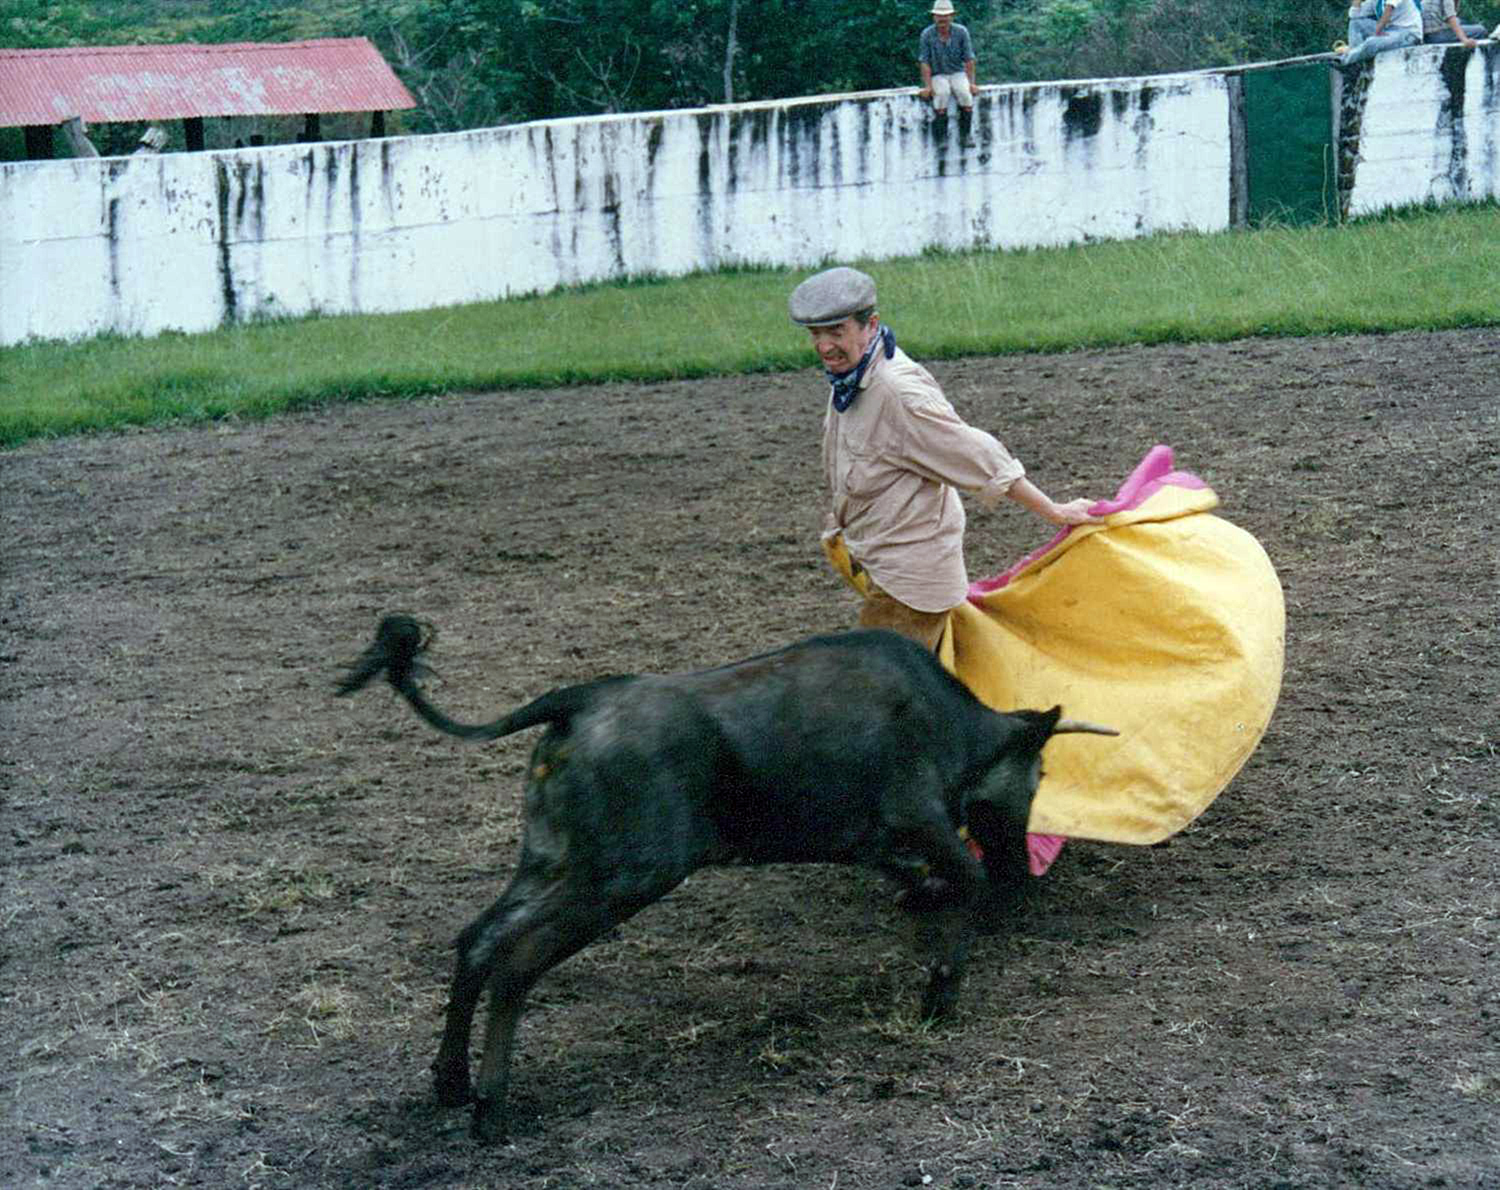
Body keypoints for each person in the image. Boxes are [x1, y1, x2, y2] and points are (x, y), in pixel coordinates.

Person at [789, 266, 1101, 652]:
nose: (824, 346)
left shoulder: (896, 391)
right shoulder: (850, 379)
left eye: (837, 332)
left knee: (874, 695)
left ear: (871, 325)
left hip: (910, 587)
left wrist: (1055, 511)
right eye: (816, 334)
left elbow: (978, 454)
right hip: (884, 564)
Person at [918, 0, 978, 143]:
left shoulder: (961, 32)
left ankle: (965, 135)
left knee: (965, 95)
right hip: (938, 74)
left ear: (952, 16)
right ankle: (942, 137)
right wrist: (927, 86)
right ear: (934, 17)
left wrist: (972, 83)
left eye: (945, 16)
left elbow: (969, 59)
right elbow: (924, 61)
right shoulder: (927, 34)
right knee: (941, 94)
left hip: (957, 72)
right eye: (939, 16)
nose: (942, 19)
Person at [1335, 0, 1423, 64]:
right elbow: (1354, 15)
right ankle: (1356, 58)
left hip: (1408, 34)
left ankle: (1344, 60)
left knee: (1372, 42)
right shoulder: (1376, 2)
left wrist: (1378, 32)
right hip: (1389, 30)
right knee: (1355, 23)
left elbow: (1389, 8)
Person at [1422, 0, 1487, 45]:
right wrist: (1464, 40)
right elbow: (1451, 18)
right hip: (1436, 36)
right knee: (1480, 30)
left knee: (1461, 21)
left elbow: (1452, 14)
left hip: (1426, 37)